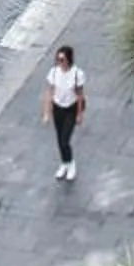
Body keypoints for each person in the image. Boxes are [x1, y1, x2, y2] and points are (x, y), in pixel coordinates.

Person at [42, 41, 86, 179]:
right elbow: (49, 92)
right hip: (58, 108)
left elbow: (80, 95)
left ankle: (71, 163)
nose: (60, 62)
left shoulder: (77, 74)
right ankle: (64, 163)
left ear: (68, 59)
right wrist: (47, 112)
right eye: (58, 59)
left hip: (70, 109)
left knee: (65, 140)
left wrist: (79, 114)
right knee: (59, 138)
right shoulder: (54, 72)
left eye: (62, 59)